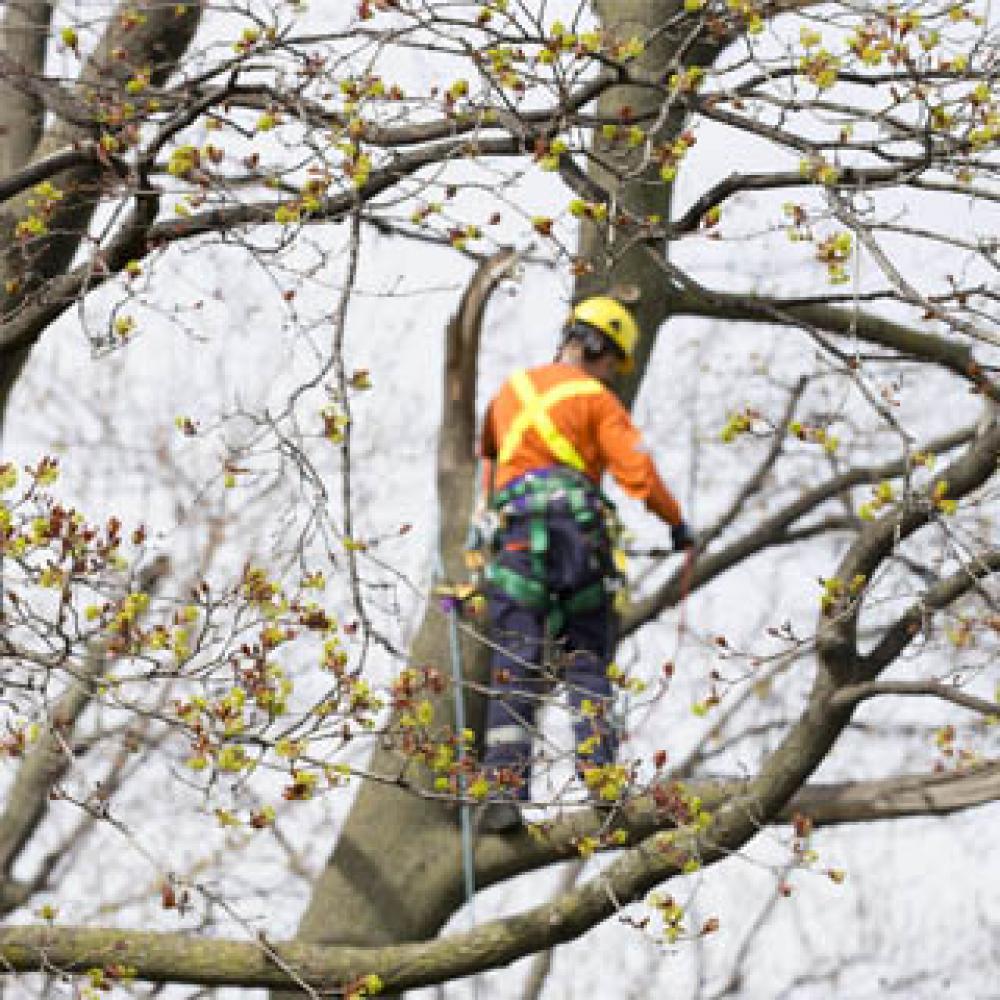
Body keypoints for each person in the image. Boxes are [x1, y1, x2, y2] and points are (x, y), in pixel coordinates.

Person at [476, 295, 695, 834]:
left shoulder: (510, 392)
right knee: (586, 659)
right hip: (576, 540)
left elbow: (490, 462)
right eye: (611, 366)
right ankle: (601, 779)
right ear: (601, 349)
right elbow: (637, 473)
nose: (610, 377)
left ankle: (502, 791)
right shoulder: (596, 401)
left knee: (516, 663)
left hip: (515, 543)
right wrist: (676, 523)